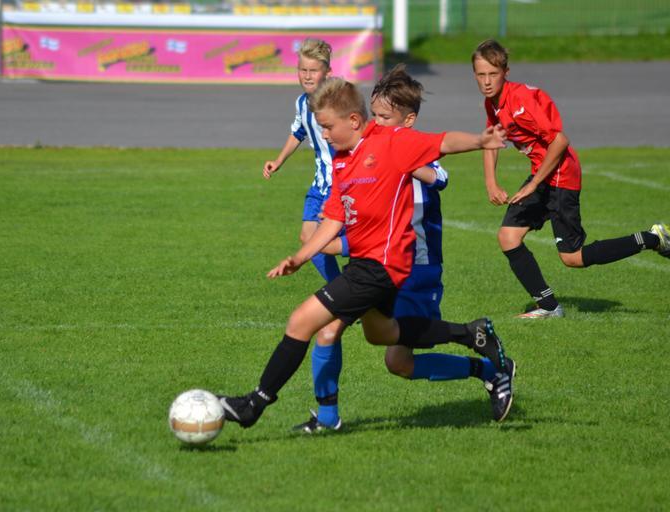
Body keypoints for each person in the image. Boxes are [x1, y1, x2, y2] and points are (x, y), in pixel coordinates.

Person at [218, 77, 514, 430]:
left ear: (354, 121)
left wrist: (480, 141)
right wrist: (300, 257)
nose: (324, 135)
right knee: (381, 334)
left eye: (328, 127)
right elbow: (333, 219)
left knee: (302, 322)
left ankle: (255, 404)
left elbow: (443, 142)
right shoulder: (342, 161)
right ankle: (471, 334)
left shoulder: (391, 142)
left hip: (382, 266)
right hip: (367, 264)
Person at [472, 39, 670, 319]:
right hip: (542, 174)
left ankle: (652, 238)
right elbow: (492, 139)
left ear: (506, 72)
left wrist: (533, 184)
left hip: (561, 175)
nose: (486, 81)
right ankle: (549, 307)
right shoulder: (492, 103)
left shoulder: (522, 100)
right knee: (508, 237)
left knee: (572, 257)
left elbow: (560, 141)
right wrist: (491, 183)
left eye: (493, 74)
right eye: (480, 74)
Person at [262, 38, 350, 375]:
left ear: (328, 71)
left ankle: (348, 293)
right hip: (319, 186)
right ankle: (342, 292)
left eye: (314, 70)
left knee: (331, 243)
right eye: (302, 69)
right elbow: (298, 132)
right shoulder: (302, 102)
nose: (307, 75)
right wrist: (278, 161)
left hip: (341, 186)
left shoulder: (340, 100)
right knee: (308, 239)